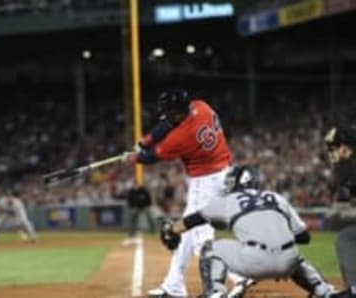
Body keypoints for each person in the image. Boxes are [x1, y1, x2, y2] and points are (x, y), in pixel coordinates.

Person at [123, 90, 245, 297]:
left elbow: (154, 156)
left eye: (170, 112)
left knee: (201, 241)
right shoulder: (201, 106)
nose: (167, 116)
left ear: (178, 111)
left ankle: (239, 276)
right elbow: (166, 125)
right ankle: (174, 286)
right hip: (222, 172)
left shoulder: (182, 137)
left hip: (205, 181)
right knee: (185, 232)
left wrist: (135, 158)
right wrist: (145, 141)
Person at [160, 165, 336, 298]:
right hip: (287, 263)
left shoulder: (228, 200)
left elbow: (191, 221)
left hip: (254, 261)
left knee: (210, 248)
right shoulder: (276, 197)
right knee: (295, 257)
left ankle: (215, 292)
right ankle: (324, 290)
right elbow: (304, 237)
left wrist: (172, 230)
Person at [324, 126, 356, 298]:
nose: (333, 152)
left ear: (346, 147)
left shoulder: (348, 166)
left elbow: (335, 185)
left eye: (335, 147)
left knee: (346, 238)